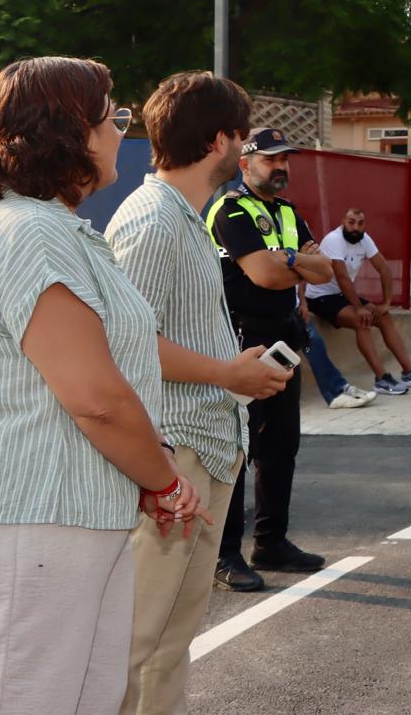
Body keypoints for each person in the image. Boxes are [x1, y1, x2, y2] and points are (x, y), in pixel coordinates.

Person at [0, 57, 206, 713]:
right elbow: (95, 396)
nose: (121, 131)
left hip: (70, 517)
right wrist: (163, 480)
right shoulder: (26, 232)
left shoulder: (46, 228)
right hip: (30, 518)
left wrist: (149, 468)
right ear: (68, 134)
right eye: (111, 118)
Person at [108, 72, 296, 714]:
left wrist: (232, 369)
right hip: (172, 457)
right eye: (244, 139)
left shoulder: (185, 217)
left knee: (171, 640)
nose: (247, 152)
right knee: (138, 641)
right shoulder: (153, 221)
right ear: (220, 140)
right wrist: (227, 374)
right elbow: (123, 346)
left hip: (203, 451)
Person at [207, 127, 335, 592]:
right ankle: (224, 555)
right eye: (271, 159)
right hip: (241, 339)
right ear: (246, 163)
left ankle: (271, 542)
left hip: (283, 339)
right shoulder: (231, 209)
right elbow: (261, 275)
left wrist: (284, 262)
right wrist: (292, 261)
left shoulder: (287, 211)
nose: (281, 166)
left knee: (281, 446)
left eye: (286, 159)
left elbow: (325, 271)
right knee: (239, 448)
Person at [306, 207, 411, 396]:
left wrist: (386, 302)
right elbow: (342, 277)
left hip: (343, 294)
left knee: (384, 317)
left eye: (360, 223)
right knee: (362, 321)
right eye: (351, 222)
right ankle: (381, 379)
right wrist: (358, 308)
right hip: (320, 295)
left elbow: (383, 269)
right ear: (343, 222)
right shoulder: (333, 240)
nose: (355, 227)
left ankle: (409, 372)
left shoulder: (364, 239)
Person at [299, 309, 376, 409]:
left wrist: (303, 302)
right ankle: (336, 391)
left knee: (313, 341)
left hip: (292, 307)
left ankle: (337, 389)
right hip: (275, 311)